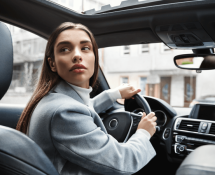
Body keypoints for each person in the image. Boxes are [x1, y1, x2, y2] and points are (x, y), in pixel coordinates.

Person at [16, 22, 157, 175]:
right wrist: (143, 133)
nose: (77, 55)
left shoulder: (55, 100)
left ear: (94, 58)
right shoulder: (64, 113)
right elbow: (123, 161)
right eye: (64, 49)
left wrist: (113, 94)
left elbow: (84, 108)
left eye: (85, 48)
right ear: (52, 64)